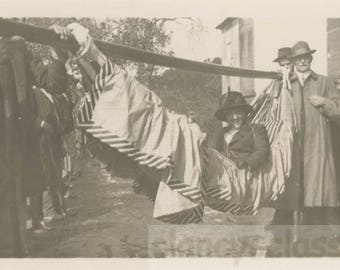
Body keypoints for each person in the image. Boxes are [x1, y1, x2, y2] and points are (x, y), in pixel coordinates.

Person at [274, 41, 340, 226]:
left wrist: (325, 102)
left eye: (305, 57)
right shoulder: (285, 83)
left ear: (310, 58)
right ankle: (288, 240)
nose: (302, 61)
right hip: (292, 147)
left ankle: (315, 238)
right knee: (290, 194)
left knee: (316, 193)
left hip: (317, 148)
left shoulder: (323, 82)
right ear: (293, 61)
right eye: (298, 58)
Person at [214, 90, 270, 171]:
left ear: (244, 113)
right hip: (224, 176)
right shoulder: (221, 133)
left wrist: (247, 163)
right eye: (230, 114)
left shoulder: (256, 129)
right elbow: (216, 153)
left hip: (246, 174)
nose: (235, 117)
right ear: (225, 116)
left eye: (238, 112)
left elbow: (262, 151)